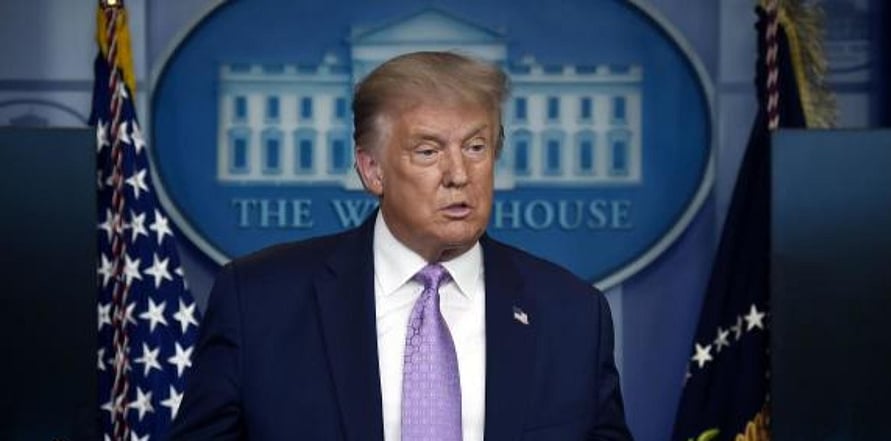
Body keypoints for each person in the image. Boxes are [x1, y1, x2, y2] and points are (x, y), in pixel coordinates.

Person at [169, 51, 632, 441]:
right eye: (428, 151)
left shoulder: (572, 315)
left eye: (475, 147)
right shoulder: (259, 302)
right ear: (372, 171)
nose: (458, 174)